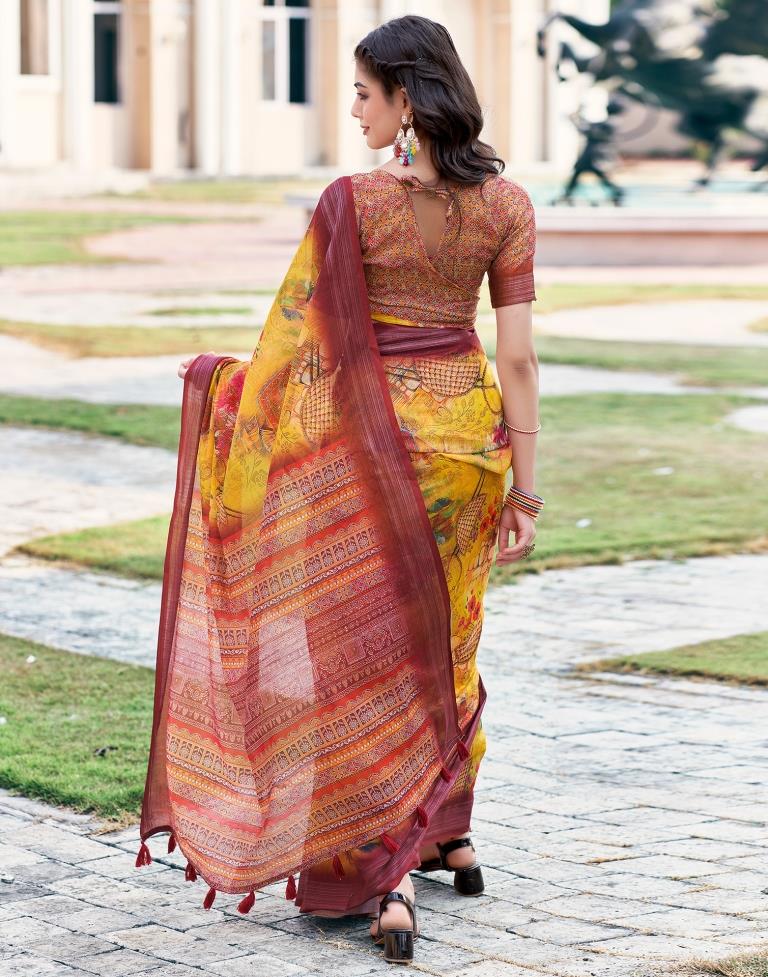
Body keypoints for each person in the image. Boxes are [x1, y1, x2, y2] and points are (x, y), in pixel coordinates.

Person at [137, 14, 541, 968]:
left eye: (363, 93)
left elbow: (298, 352)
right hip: (467, 453)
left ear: (406, 99)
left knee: (362, 656)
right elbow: (517, 357)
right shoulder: (509, 206)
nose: (354, 109)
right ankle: (451, 832)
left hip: (368, 453)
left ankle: (384, 876)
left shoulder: (350, 202)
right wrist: (527, 484)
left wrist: (224, 391)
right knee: (448, 636)